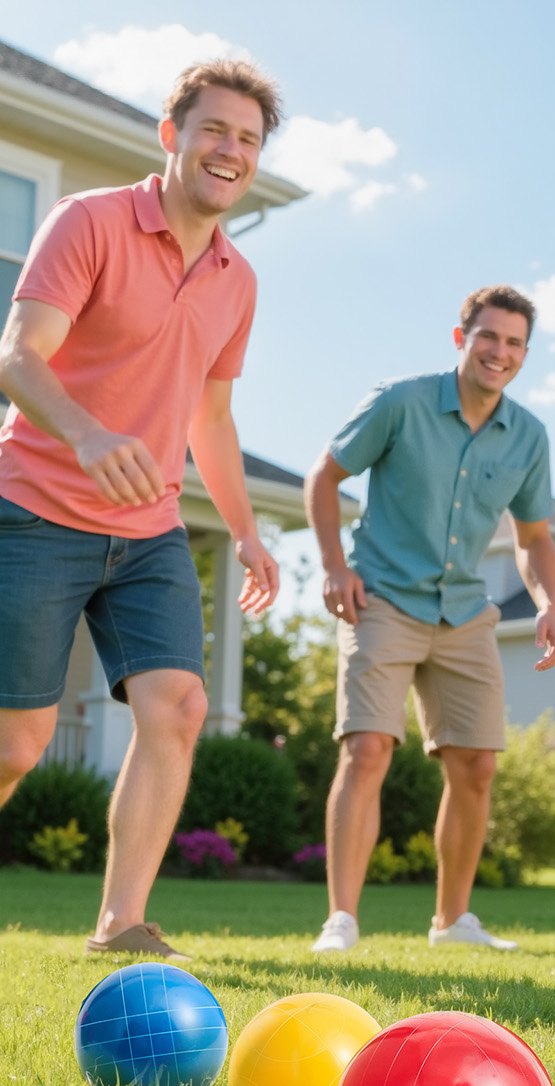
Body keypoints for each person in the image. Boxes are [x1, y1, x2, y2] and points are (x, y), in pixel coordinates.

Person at [0, 59, 283, 962]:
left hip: (151, 530)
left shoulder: (237, 279)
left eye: (247, 139)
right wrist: (86, 435)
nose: (230, 150)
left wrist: (243, 530)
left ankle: (121, 927)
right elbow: (18, 357)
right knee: (17, 743)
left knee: (180, 705)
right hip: (37, 509)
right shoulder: (89, 222)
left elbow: (212, 418)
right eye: (215, 129)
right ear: (173, 136)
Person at [304, 285, 555, 954]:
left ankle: (452, 923)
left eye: (513, 343)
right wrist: (335, 567)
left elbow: (534, 537)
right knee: (368, 749)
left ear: (524, 355)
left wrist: (547, 604)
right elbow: (323, 479)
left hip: (463, 610)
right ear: (461, 338)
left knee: (477, 765)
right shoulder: (401, 402)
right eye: (488, 337)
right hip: (383, 597)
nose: (498, 352)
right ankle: (342, 920)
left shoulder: (528, 436)